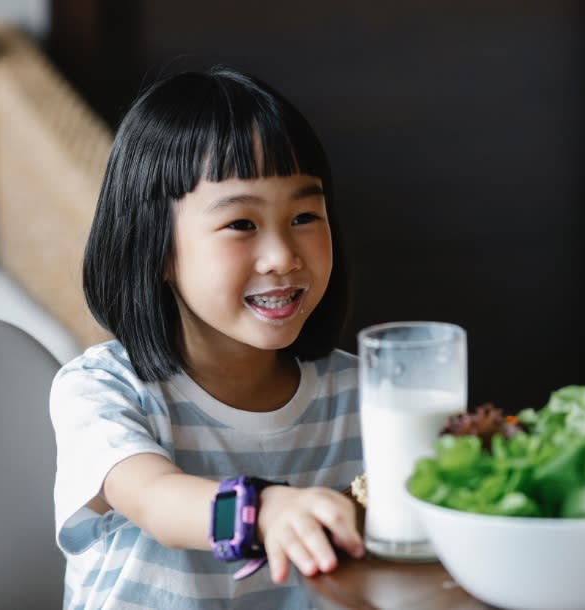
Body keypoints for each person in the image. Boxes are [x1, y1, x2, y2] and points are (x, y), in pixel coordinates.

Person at [49, 66, 365, 609]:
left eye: (305, 215)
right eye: (242, 224)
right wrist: (260, 510)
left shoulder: (364, 394)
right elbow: (155, 499)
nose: (283, 256)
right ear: (156, 248)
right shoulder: (103, 391)